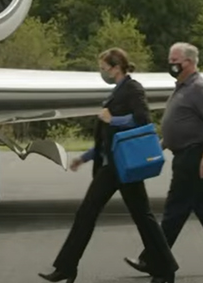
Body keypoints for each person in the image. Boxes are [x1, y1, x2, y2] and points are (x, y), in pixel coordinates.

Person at [38, 48, 179, 283]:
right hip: (112, 165)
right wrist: (84, 158)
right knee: (90, 214)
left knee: (139, 216)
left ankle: (165, 269)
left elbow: (142, 119)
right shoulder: (116, 92)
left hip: (124, 166)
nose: (102, 72)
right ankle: (66, 268)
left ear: (116, 68)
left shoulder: (133, 89)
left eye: (104, 68)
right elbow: (109, 140)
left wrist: (113, 119)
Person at [124, 42, 203, 276]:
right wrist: (160, 145)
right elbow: (179, 123)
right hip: (183, 153)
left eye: (175, 60)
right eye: (170, 59)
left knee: (175, 209)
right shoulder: (182, 87)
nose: (171, 64)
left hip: (193, 155)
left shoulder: (199, 87)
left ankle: (152, 258)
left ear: (189, 62)